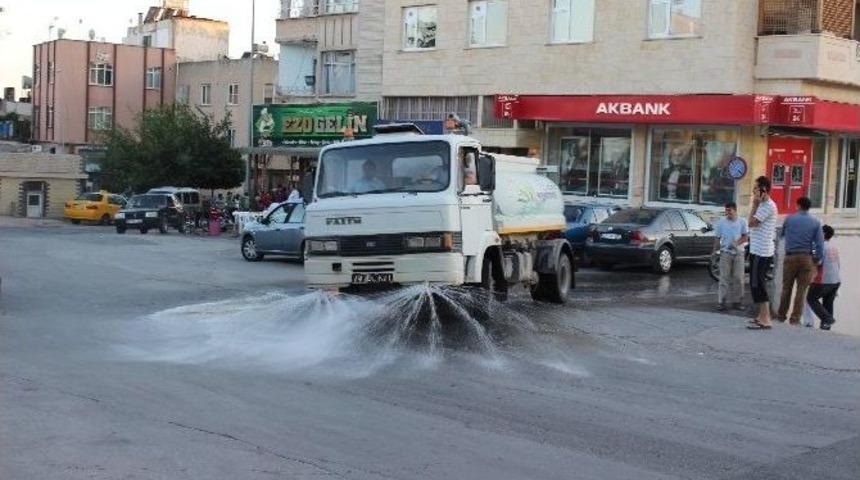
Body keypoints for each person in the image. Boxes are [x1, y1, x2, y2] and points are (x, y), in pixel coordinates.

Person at [777, 197, 824, 325]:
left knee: (786, 288)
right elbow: (820, 244)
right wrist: (817, 259)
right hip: (806, 258)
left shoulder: (789, 219)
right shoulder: (815, 222)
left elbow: (782, 235)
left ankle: (781, 315)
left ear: (798, 205)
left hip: (790, 256)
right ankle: (795, 319)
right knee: (801, 290)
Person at [747, 176, 778, 330]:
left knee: (758, 283)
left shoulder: (768, 206)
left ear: (763, 189)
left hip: (762, 251)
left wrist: (754, 204)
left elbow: (751, 222)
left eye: (756, 188)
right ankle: (760, 316)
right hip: (755, 249)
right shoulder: (762, 204)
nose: (753, 191)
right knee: (754, 284)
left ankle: (766, 318)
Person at [713, 202, 749, 311]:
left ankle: (737, 302)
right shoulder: (721, 223)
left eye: (730, 211)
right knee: (724, 278)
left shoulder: (742, 221)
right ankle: (721, 302)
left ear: (735, 210)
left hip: (738, 253)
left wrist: (737, 243)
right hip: (725, 253)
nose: (727, 213)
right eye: (726, 211)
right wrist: (714, 251)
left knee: (738, 278)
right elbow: (717, 238)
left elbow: (745, 237)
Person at [806, 225, 840, 331]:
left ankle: (827, 319)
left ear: (823, 234)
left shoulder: (820, 246)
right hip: (836, 280)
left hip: (823, 280)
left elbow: (818, 262)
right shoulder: (834, 247)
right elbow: (838, 264)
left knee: (811, 298)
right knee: (828, 303)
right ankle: (826, 326)